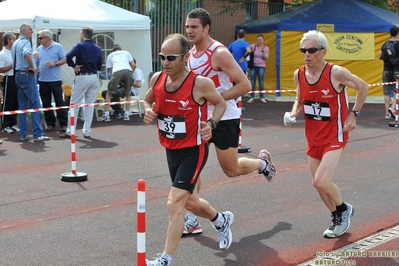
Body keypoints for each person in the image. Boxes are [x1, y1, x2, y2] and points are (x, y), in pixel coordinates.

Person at [183, 7, 276, 235]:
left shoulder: (219, 53)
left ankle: (262, 164)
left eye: (194, 27)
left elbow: (245, 85)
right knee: (191, 169)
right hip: (200, 121)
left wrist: (215, 98)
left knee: (231, 170)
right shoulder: (190, 53)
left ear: (206, 28)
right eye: (187, 27)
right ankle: (192, 218)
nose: (189, 31)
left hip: (225, 118)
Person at [144, 33, 231, 266]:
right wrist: (148, 110)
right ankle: (220, 220)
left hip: (194, 150)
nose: (165, 62)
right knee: (191, 202)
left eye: (171, 57)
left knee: (174, 204)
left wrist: (211, 124)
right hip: (170, 149)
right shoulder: (157, 79)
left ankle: (165, 259)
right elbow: (146, 100)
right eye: (162, 57)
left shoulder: (200, 83)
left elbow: (221, 103)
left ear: (184, 57)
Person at [285, 30, 368, 238]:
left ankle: (343, 210)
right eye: (303, 50)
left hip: (335, 134)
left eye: (311, 50)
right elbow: (300, 99)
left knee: (321, 181)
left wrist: (353, 115)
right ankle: (337, 215)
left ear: (323, 51)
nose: (307, 54)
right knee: (318, 184)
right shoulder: (299, 74)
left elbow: (363, 86)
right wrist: (293, 112)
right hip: (313, 137)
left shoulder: (336, 73)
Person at [60, 26, 102, 139]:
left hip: (82, 76)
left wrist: (74, 66)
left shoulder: (80, 46)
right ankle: (87, 131)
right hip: (94, 77)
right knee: (89, 105)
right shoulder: (98, 48)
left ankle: (70, 131)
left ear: (83, 34)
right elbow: (99, 66)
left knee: (74, 104)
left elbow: (68, 57)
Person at [11, 23, 50, 142]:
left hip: (17, 74)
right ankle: (37, 134)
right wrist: (32, 67)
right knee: (35, 105)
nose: (32, 31)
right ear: (23, 31)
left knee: (22, 107)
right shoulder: (26, 42)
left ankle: (23, 134)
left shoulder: (15, 43)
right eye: (30, 29)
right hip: (26, 75)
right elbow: (26, 54)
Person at [36, 29, 68, 132]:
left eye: (40, 37)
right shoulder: (39, 49)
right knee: (46, 103)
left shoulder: (57, 47)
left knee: (59, 101)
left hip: (55, 80)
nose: (39, 39)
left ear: (47, 38)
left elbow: (64, 59)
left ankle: (63, 123)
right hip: (43, 80)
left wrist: (55, 63)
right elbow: (36, 63)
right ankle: (50, 123)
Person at [99, 44, 135, 122]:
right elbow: (133, 65)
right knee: (128, 93)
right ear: (121, 49)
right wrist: (131, 72)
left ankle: (107, 115)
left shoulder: (110, 55)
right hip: (128, 71)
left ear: (113, 51)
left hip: (117, 71)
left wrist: (118, 79)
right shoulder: (126, 52)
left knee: (109, 93)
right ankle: (127, 114)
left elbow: (111, 70)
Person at [0, 32, 20, 134]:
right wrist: (12, 66)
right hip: (8, 78)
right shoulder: (2, 54)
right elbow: (0, 69)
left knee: (15, 102)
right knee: (7, 102)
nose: (16, 41)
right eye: (14, 39)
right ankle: (5, 125)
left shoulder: (14, 51)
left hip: (17, 78)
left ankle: (13, 123)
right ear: (9, 40)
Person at [378, 25, 399, 120]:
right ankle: (393, 107)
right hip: (396, 70)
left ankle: (387, 114)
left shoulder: (385, 44)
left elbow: (379, 57)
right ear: (398, 33)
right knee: (397, 92)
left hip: (386, 70)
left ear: (390, 33)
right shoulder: (398, 44)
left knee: (386, 92)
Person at [247, 34, 269, 104]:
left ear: (263, 40)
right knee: (252, 82)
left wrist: (263, 51)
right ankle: (252, 97)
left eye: (260, 40)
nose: (259, 41)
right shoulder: (253, 46)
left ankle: (262, 97)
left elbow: (266, 58)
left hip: (261, 66)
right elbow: (247, 50)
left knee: (261, 82)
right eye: (258, 40)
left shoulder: (266, 48)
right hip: (253, 66)